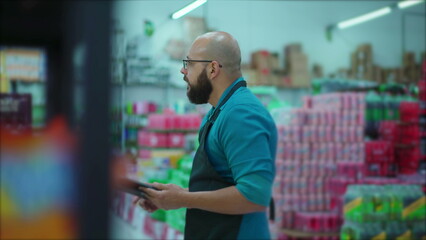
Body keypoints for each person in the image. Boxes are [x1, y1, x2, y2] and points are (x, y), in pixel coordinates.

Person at [134, 31, 277, 240]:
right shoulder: (219, 110)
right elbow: (221, 184)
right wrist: (173, 195)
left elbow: (254, 195)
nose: (183, 70)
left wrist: (184, 199)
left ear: (212, 68)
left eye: (190, 63)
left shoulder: (241, 114)